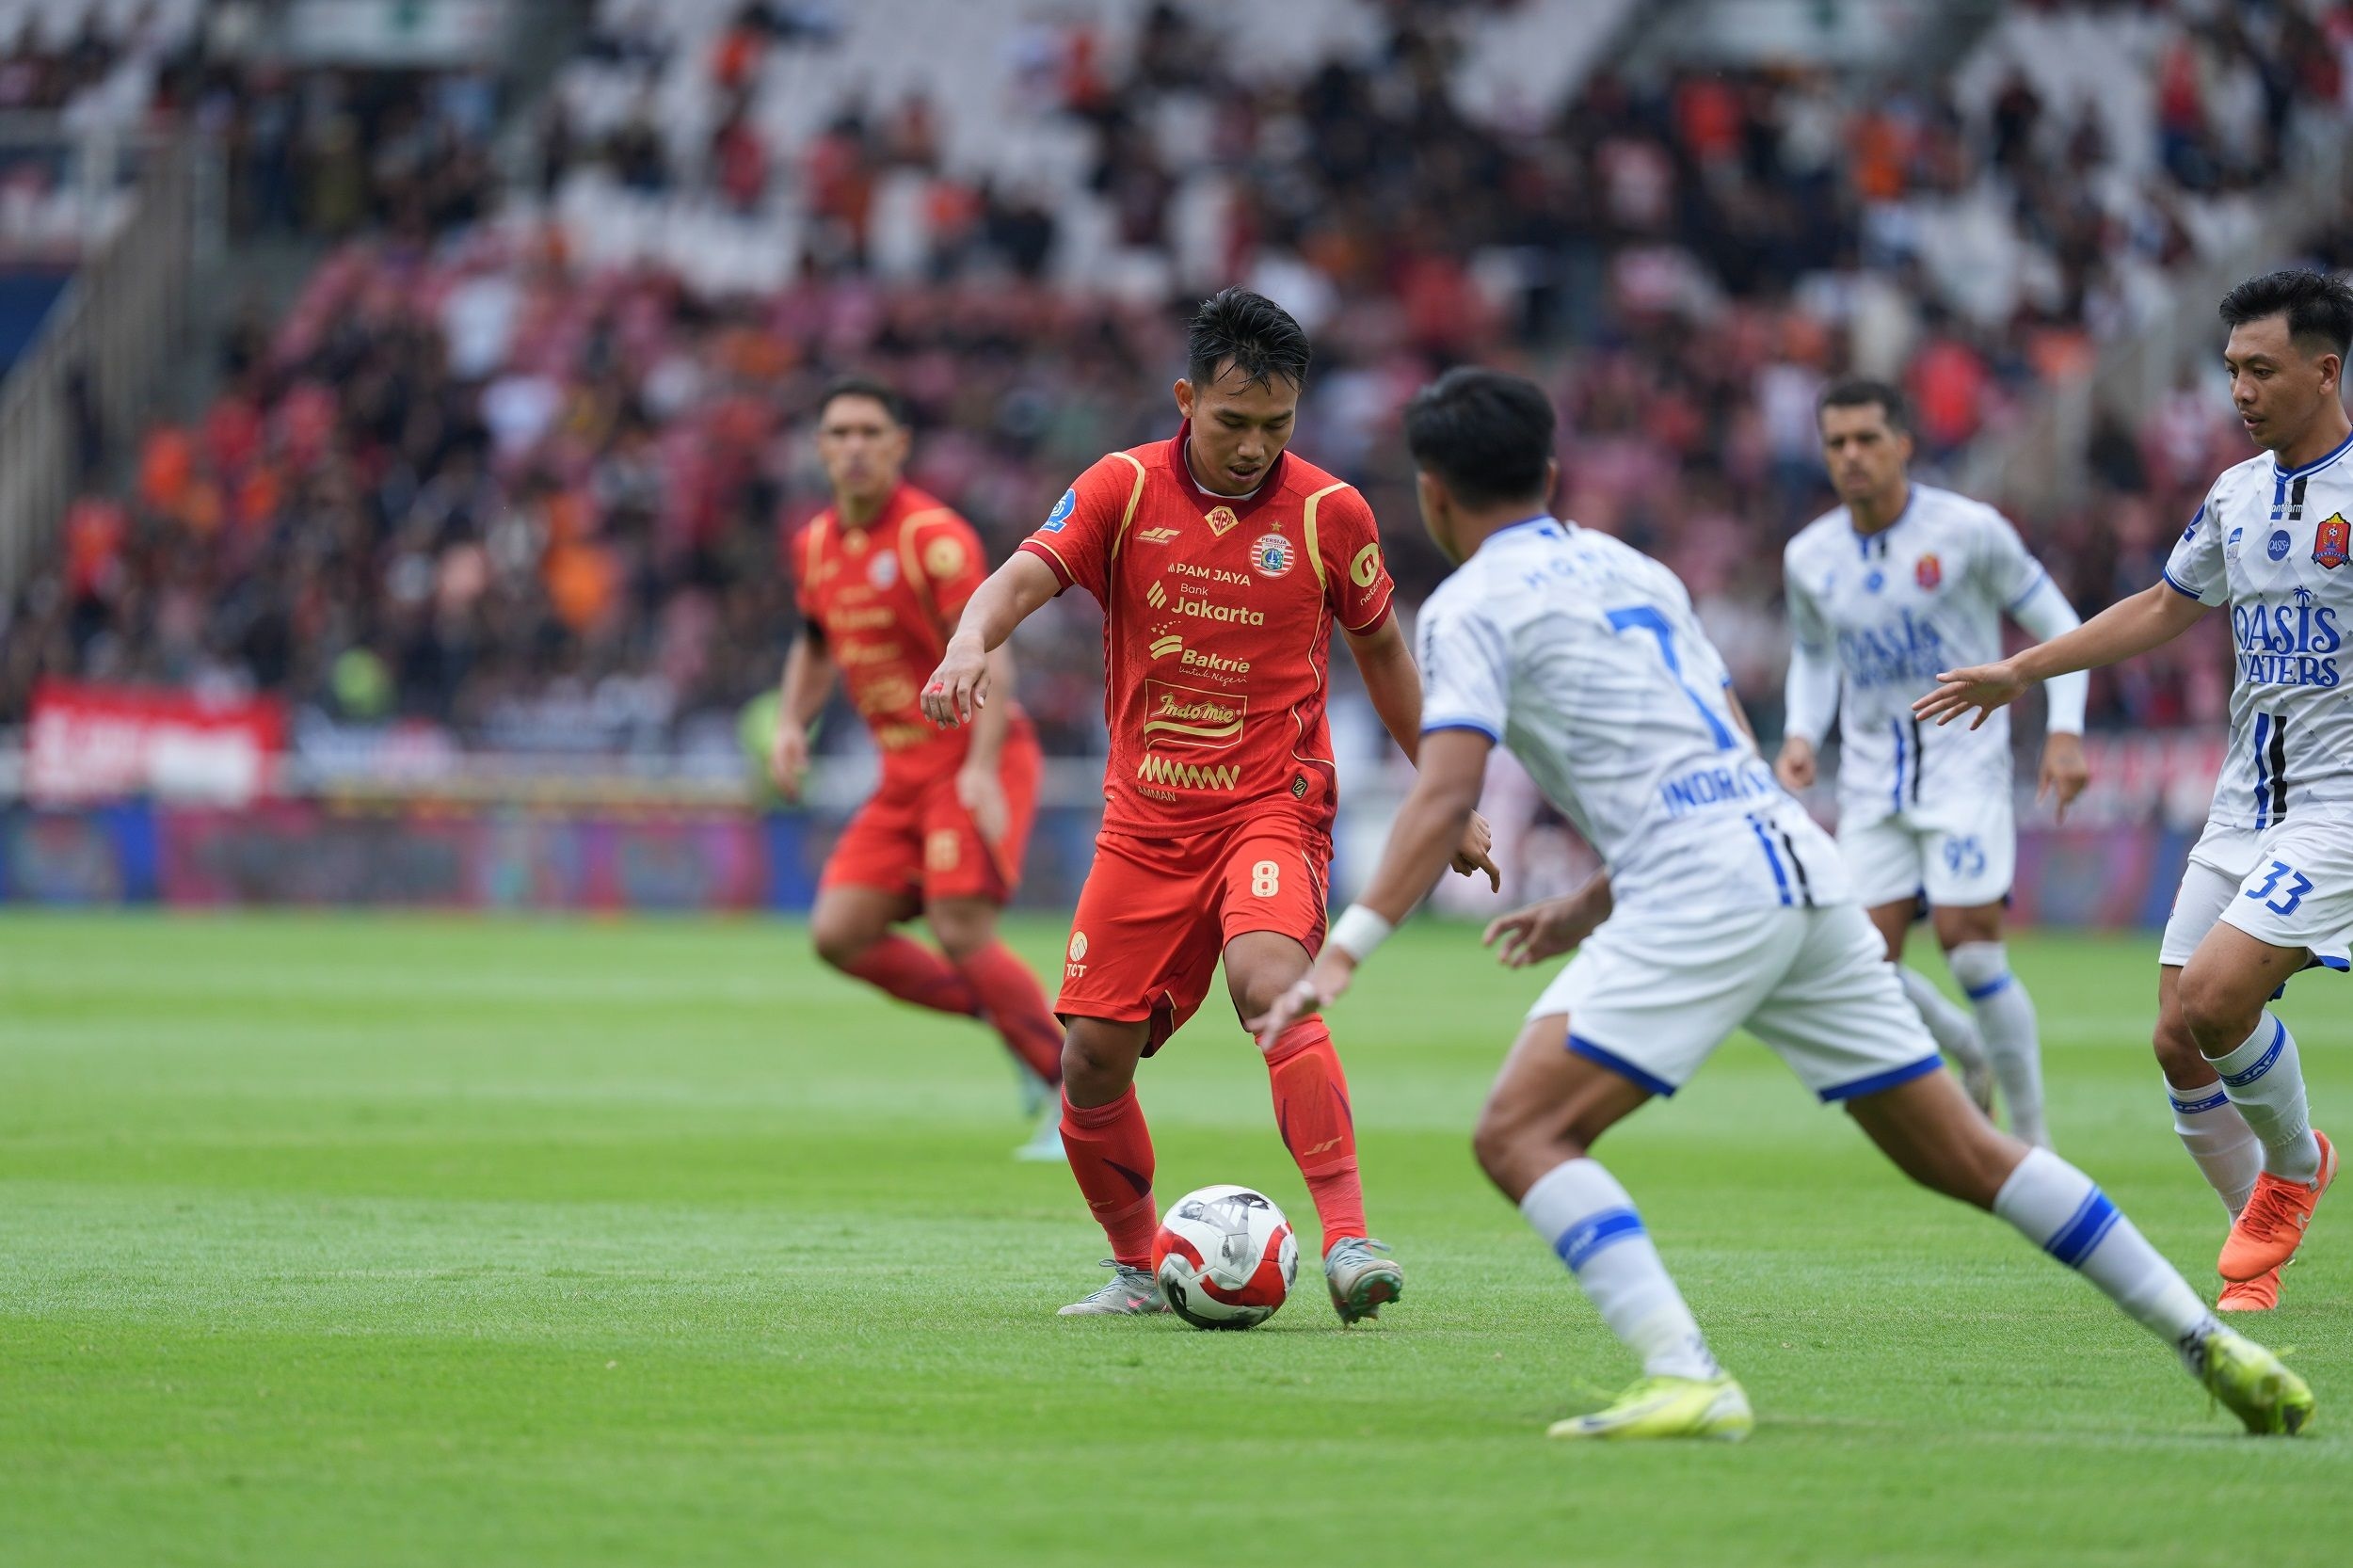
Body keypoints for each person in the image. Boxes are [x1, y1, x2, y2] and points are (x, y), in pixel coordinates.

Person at [1254, 366, 2311, 1439]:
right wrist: (1587, 905)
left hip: (1699, 892)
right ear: (1553, 473)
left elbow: (1443, 793)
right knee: (1966, 1155)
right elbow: (1724, 750)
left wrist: (1342, 952)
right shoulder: (1636, 569)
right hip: (1796, 867)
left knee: (1519, 1132)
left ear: (1432, 495)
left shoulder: (1469, 607)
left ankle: (1686, 1372)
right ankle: (2206, 1338)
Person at [922, 288, 1497, 1321]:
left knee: (1270, 981)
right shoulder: (1120, 489)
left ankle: (1350, 1238)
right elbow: (1019, 577)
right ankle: (1138, 1270)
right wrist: (971, 640)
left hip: (1270, 807)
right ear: (1187, 399)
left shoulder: (1329, 514)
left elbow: (1383, 656)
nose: (1251, 448)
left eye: (1275, 426)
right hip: (1143, 820)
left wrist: (1442, 792)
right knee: (1091, 1060)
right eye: (1232, 423)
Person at [1920, 269, 2353, 1313]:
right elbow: (2165, 605)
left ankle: (2291, 1173)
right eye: (2229, 371)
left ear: (2323, 370)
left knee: (2214, 998)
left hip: (2339, 805)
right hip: (2244, 801)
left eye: (2260, 370)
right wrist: (2025, 669)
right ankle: (2262, 1234)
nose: (2238, 391)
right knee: (2173, 1032)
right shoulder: (2234, 493)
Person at [1778, 380, 2091, 1146]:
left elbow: (2058, 624)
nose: (1851, 456)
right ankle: (1969, 1046)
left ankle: (2034, 1140)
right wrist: (1797, 733)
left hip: (1964, 766)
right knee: (1857, 968)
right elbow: (1816, 658)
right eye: (1837, 443)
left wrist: (2066, 730)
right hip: (1869, 777)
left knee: (1971, 948)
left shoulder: (1968, 531)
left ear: (1903, 445)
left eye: (1867, 440)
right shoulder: (1808, 556)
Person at [775, 377, 1066, 1160]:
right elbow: (812, 642)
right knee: (839, 933)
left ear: (900, 445)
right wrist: (789, 725)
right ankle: (1011, 1018)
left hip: (977, 754)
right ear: (822, 449)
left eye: (872, 431)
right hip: (902, 775)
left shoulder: (933, 538)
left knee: (960, 926)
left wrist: (978, 770)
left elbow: (989, 656)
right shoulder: (814, 545)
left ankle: (1076, 1098)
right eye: (840, 433)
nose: (856, 447)